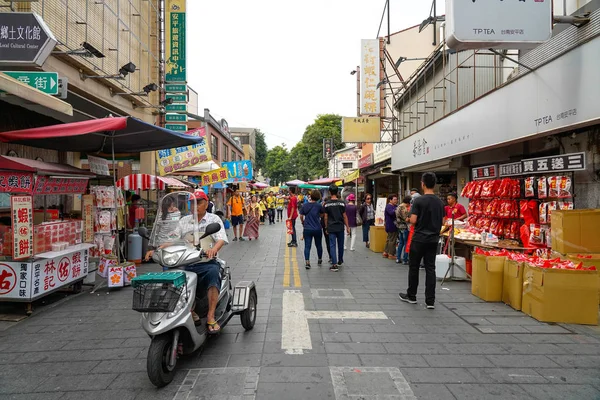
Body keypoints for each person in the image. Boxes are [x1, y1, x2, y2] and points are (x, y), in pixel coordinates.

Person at [146, 190, 228, 333]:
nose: (195, 206)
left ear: (206, 203)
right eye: (192, 203)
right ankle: (186, 310)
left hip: (206, 261)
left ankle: (210, 315)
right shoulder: (184, 221)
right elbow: (173, 239)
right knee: (169, 274)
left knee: (214, 273)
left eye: (199, 202)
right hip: (185, 261)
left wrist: (213, 249)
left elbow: (221, 238)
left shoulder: (213, 219)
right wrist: (157, 249)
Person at [399, 172, 445, 310]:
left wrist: (408, 219)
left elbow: (413, 220)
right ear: (434, 184)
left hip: (419, 238)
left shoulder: (418, 201)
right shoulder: (440, 202)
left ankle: (411, 295)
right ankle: (430, 300)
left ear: (423, 184)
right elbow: (442, 221)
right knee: (430, 268)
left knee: (414, 267)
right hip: (433, 239)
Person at [145, 196, 181, 270]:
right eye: (173, 205)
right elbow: (177, 221)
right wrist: (176, 211)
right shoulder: (176, 214)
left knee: (166, 263)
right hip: (173, 242)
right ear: (171, 205)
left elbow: (156, 231)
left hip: (162, 243)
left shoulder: (160, 216)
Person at [323, 185, 350, 272]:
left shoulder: (327, 204)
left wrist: (326, 227)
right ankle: (340, 260)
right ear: (338, 192)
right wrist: (348, 227)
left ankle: (334, 264)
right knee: (340, 244)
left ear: (330, 192)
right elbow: (345, 216)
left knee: (332, 245)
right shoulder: (342, 203)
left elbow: (325, 217)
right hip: (340, 226)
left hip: (331, 227)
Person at [299, 190, 324, 269]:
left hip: (307, 228)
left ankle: (307, 262)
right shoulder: (319, 206)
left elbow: (301, 215)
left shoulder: (305, 205)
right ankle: (319, 259)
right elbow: (322, 214)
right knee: (318, 244)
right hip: (317, 228)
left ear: (311, 196)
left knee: (307, 246)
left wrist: (303, 222)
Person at [395, 196, 412, 265]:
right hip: (405, 227)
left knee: (401, 243)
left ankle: (398, 258)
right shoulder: (403, 208)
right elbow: (406, 219)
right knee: (406, 243)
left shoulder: (399, 206)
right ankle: (405, 259)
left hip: (399, 227)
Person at [383, 194, 399, 259]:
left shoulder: (394, 206)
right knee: (392, 240)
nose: (396, 201)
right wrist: (397, 209)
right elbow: (392, 213)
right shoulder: (389, 206)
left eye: (396, 199)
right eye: (394, 199)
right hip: (391, 225)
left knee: (389, 239)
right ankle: (391, 254)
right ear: (390, 200)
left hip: (390, 225)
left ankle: (386, 252)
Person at [321, 197, 332, 264]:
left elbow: (322, 216)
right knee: (331, 242)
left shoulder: (323, 208)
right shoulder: (331, 207)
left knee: (328, 242)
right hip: (332, 225)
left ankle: (331, 256)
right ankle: (332, 256)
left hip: (326, 227)